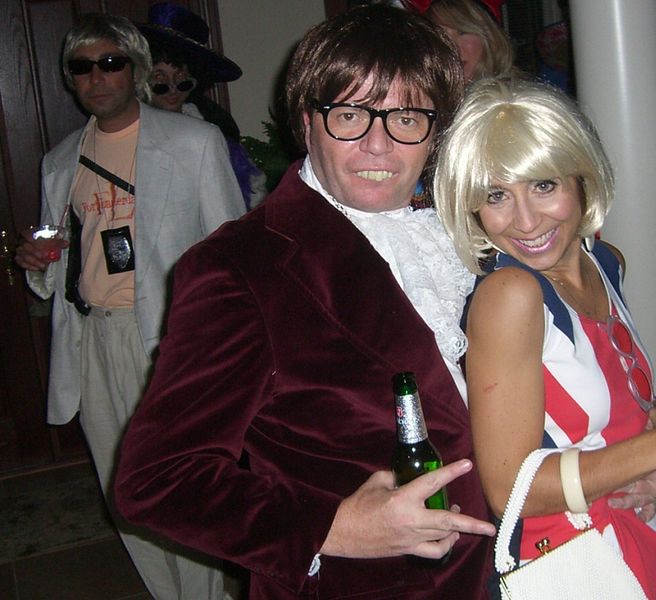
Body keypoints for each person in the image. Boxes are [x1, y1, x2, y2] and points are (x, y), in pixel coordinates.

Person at [114, 5, 496, 599]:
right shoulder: (241, 268)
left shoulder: (477, 230)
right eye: (350, 115)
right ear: (306, 121)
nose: (378, 145)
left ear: (435, 130)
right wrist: (331, 528)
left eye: (406, 117)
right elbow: (159, 479)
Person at [434, 77, 656, 599]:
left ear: (582, 178)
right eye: (496, 195)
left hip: (627, 533)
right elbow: (510, 490)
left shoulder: (605, 263)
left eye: (544, 185)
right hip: (567, 558)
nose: (526, 220)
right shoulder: (509, 296)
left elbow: (610, 398)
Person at [14, 13, 244, 600]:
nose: (96, 77)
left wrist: (220, 349)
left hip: (168, 339)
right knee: (124, 492)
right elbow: (59, 263)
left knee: (180, 484)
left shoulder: (192, 143)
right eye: (82, 67)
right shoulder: (60, 161)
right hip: (92, 338)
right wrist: (38, 262)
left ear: (136, 68)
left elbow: (233, 249)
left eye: (110, 63)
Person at [138, 2, 267, 210]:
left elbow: (252, 198)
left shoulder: (215, 128)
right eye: (160, 79)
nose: (173, 89)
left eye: (181, 78)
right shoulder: (130, 132)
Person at [405, 0, 515, 83]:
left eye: (463, 33)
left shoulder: (513, 102)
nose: (453, 48)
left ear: (490, 37)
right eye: (442, 36)